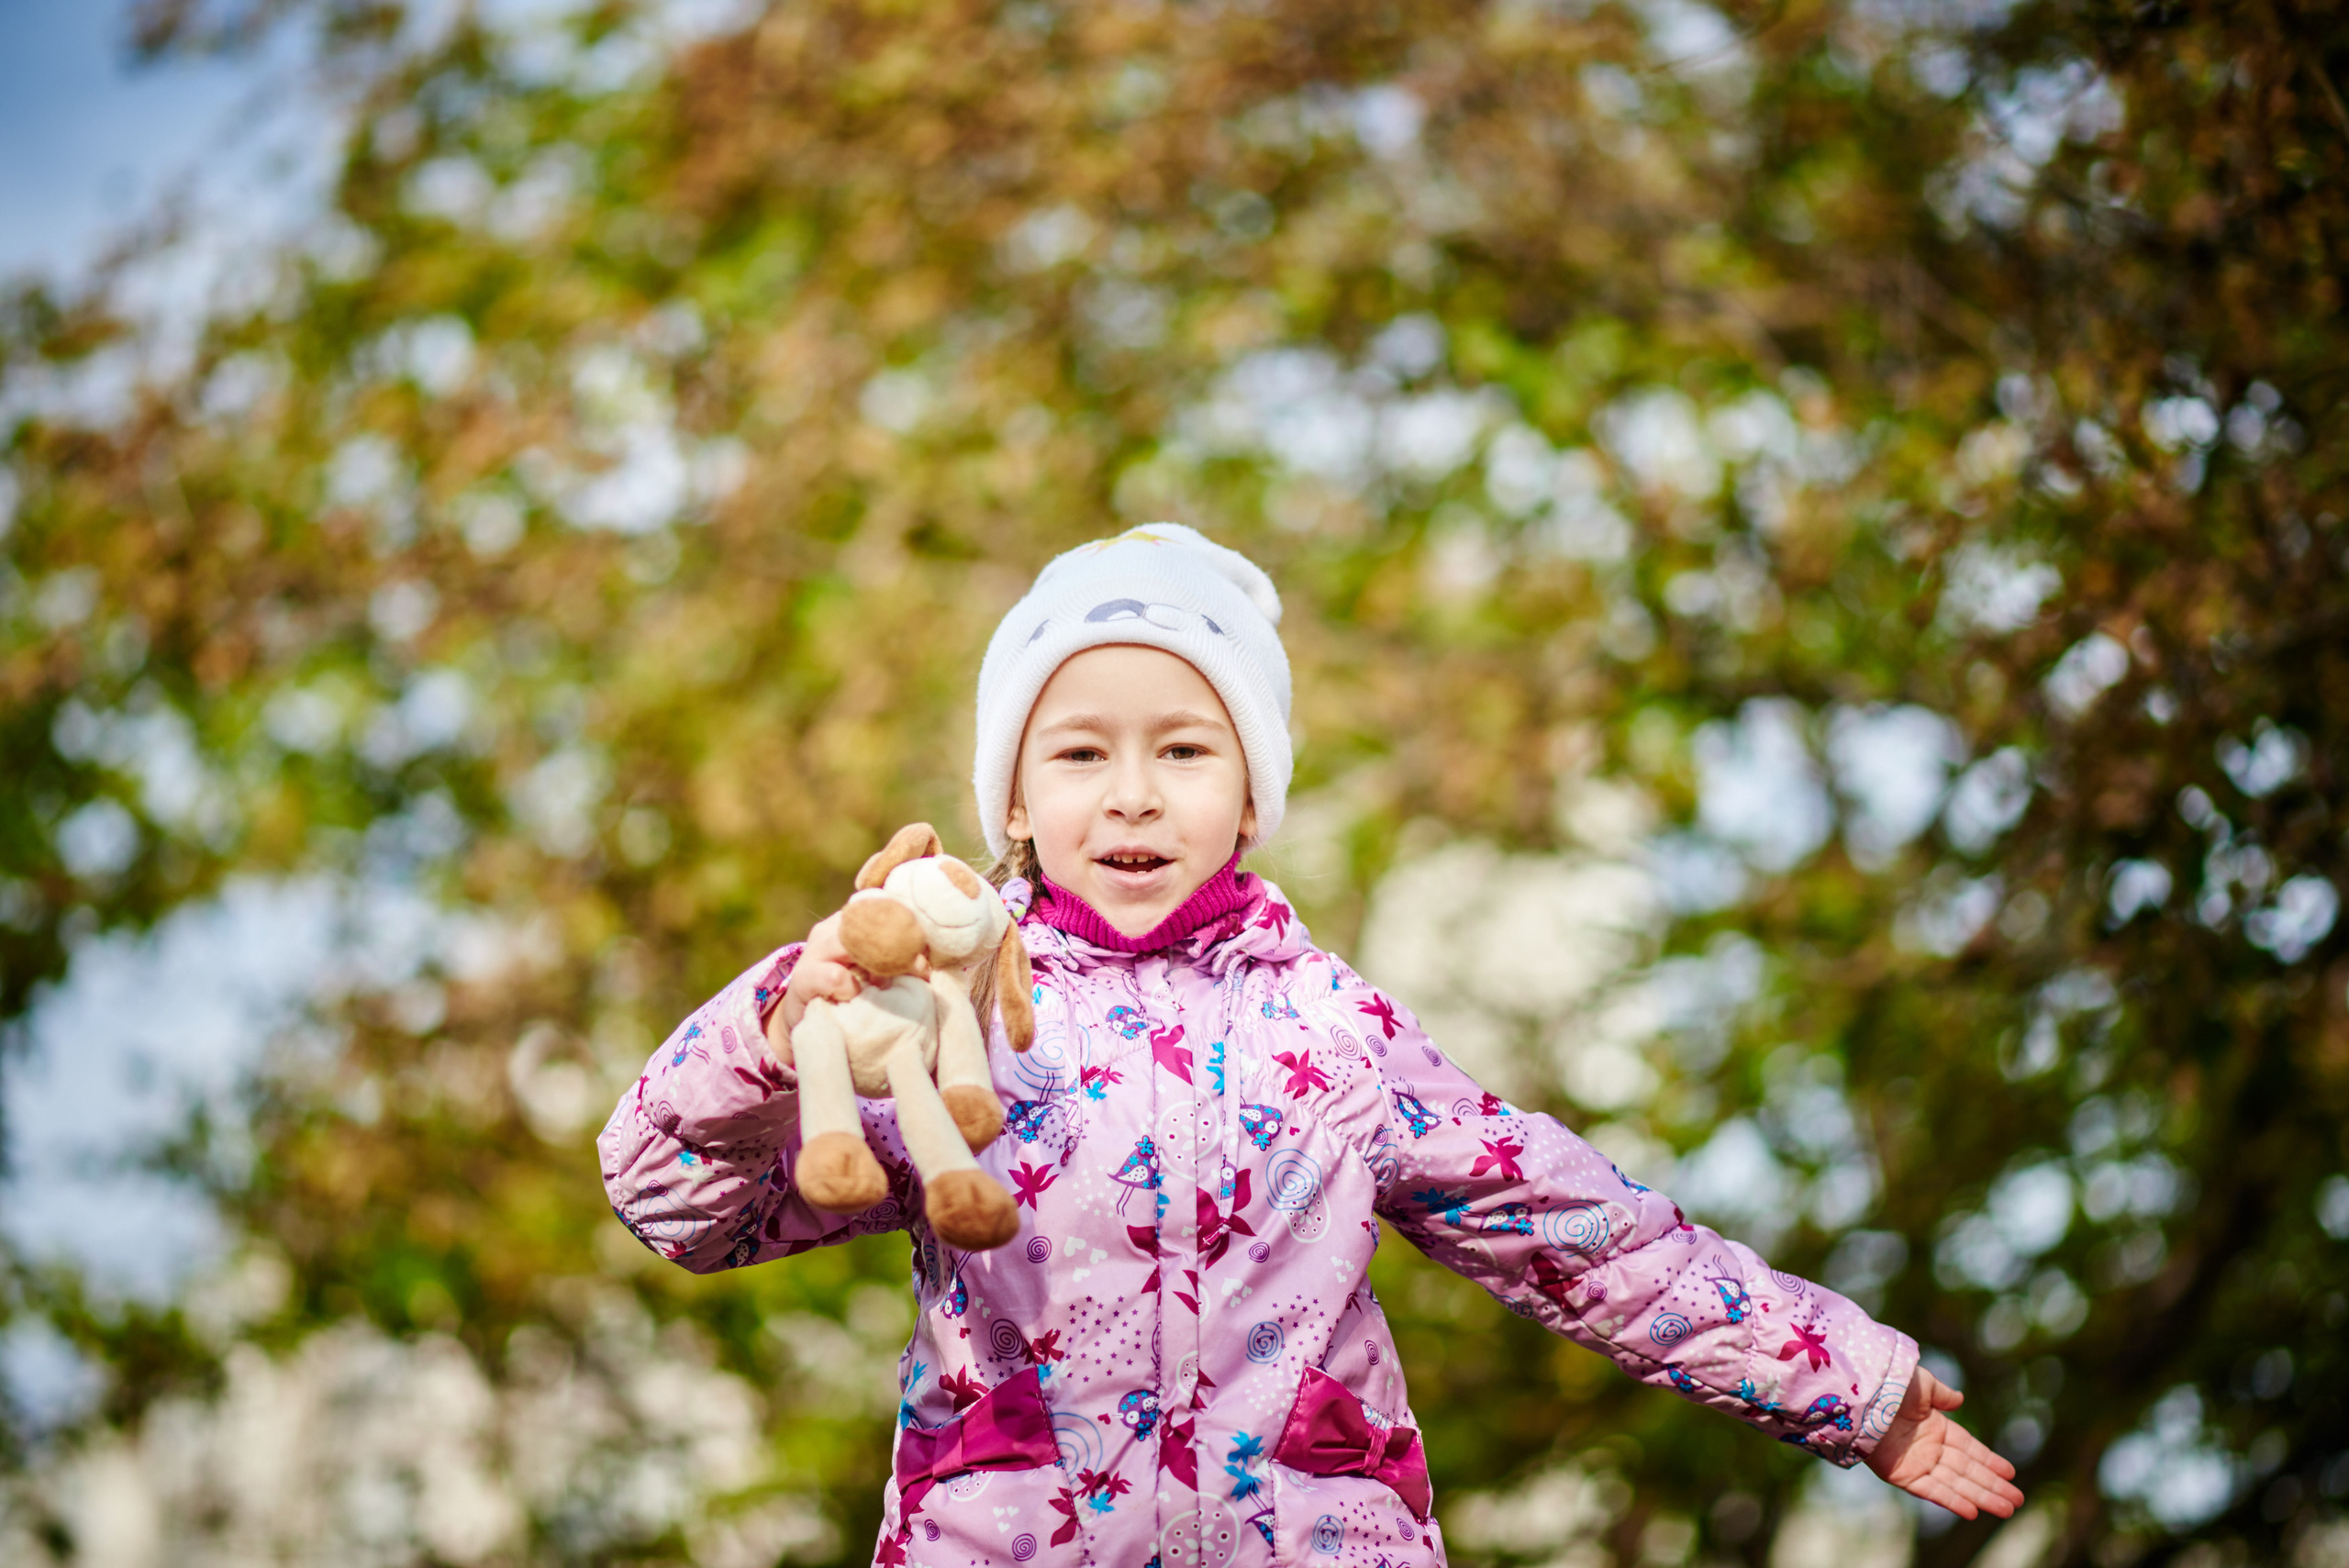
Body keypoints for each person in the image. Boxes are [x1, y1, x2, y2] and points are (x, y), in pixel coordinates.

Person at [599, 524, 2022, 1566]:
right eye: (1082, 752)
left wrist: (1852, 1386)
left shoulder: (1330, 1031)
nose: (1133, 795)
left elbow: (1588, 1234)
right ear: (1015, 801)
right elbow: (672, 1198)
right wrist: (780, 1022)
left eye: (1184, 749)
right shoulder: (948, 1025)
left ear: (1251, 794)